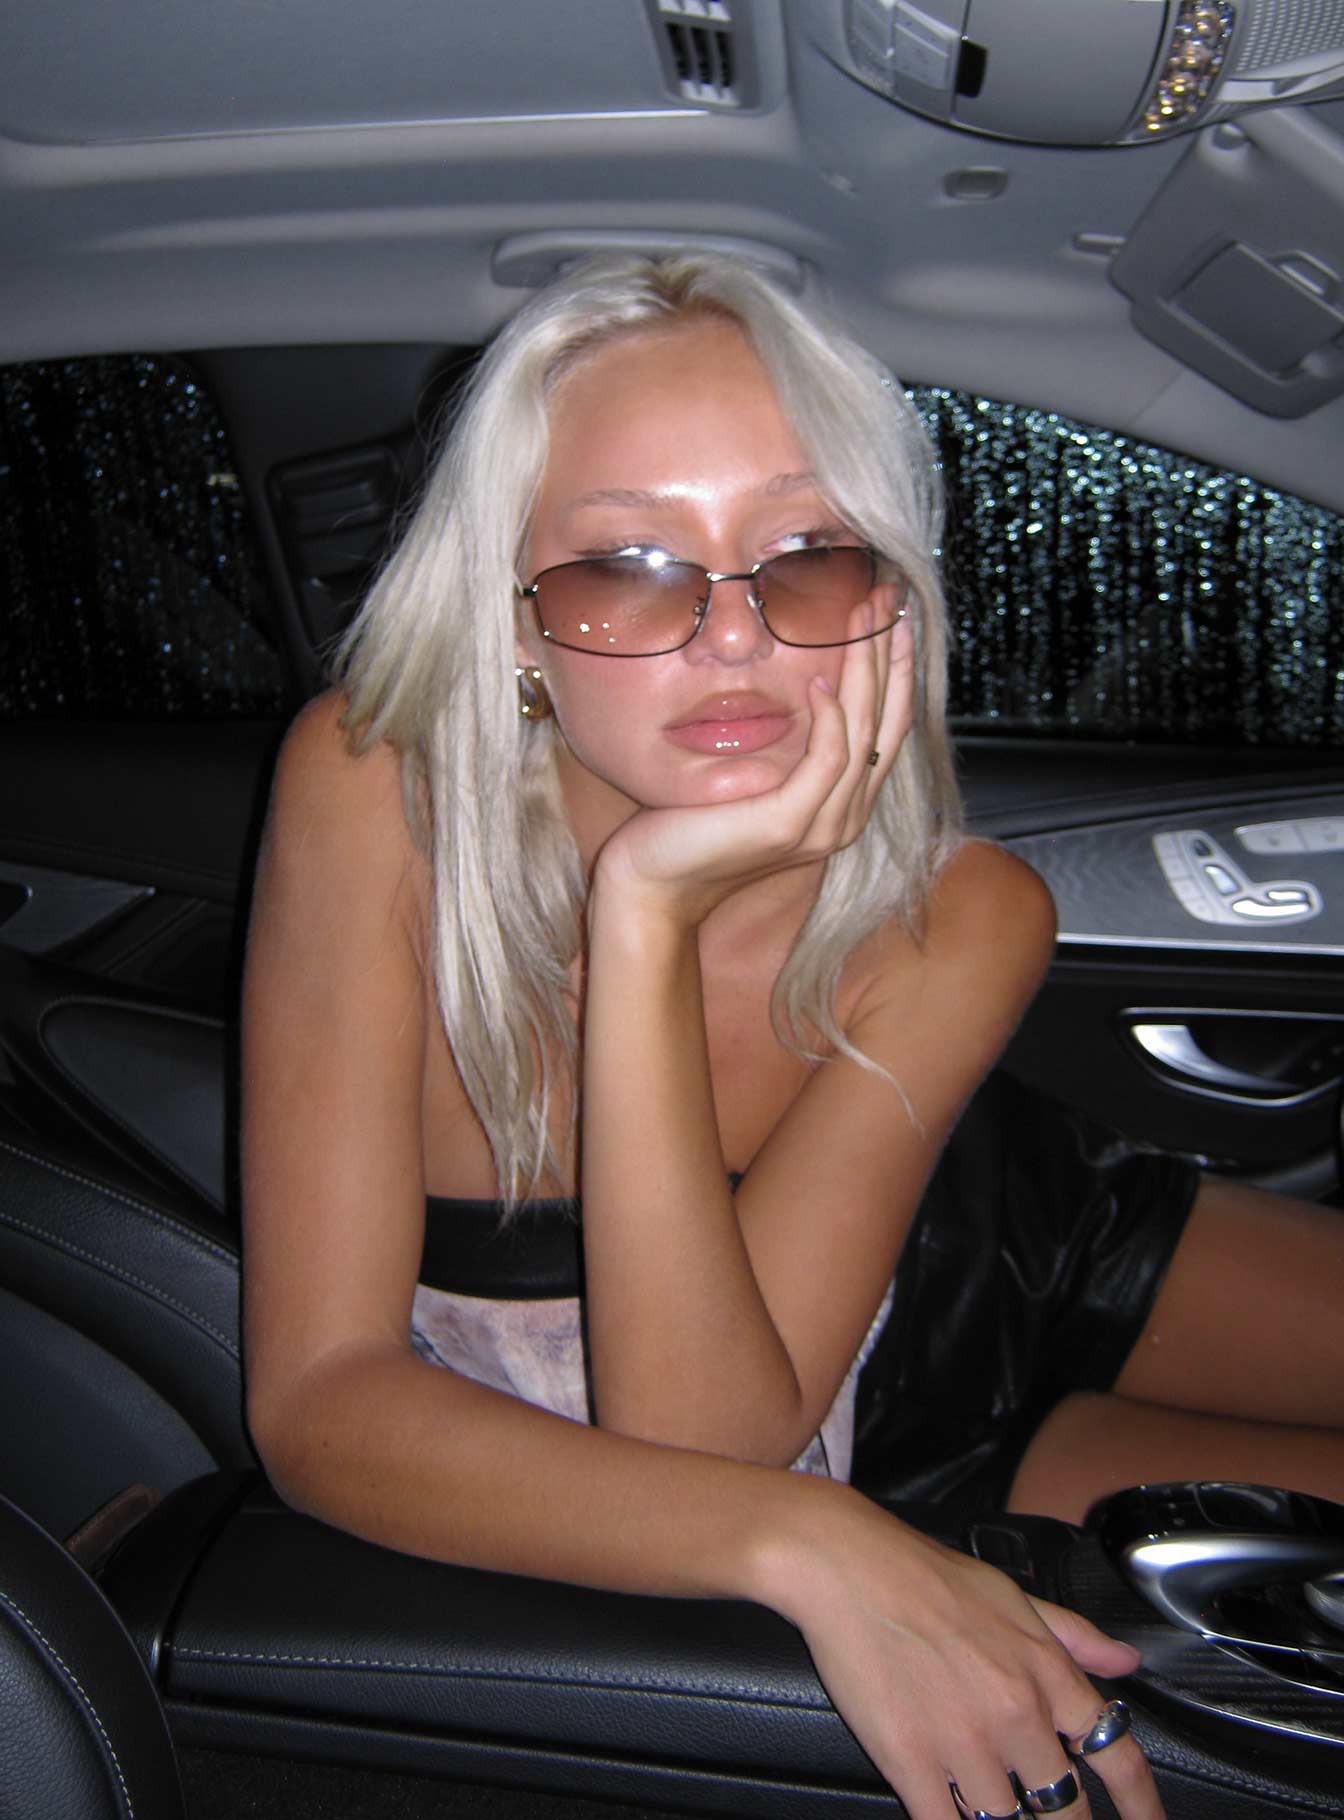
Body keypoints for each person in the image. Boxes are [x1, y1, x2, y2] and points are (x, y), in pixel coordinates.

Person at [241, 253, 1344, 1820]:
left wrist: (644, 914)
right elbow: (331, 1406)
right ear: (512, 623)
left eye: (809, 553)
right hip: (894, 1437)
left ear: (888, 595)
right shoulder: (374, 799)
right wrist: (648, 915)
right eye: (630, 563)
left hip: (1001, 1241)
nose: (735, 635)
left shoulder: (968, 910)